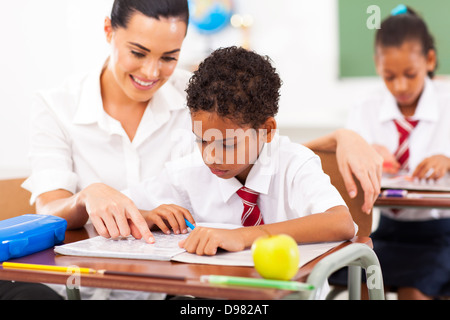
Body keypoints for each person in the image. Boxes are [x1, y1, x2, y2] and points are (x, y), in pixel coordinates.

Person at [1, 0, 382, 300]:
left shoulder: (202, 98)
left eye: (169, 57)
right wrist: (136, 212)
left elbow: (272, 155)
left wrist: (342, 137)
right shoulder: (193, 152)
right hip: (117, 284)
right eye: (138, 51)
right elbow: (119, 203)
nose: (152, 72)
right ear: (108, 31)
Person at [122, 46, 356, 257]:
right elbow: (120, 208)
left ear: (266, 130)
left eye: (228, 144)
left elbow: (341, 223)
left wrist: (242, 236)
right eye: (202, 140)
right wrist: (147, 215)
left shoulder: (294, 164)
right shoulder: (188, 171)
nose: (210, 156)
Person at [346, 5, 450, 299]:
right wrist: (364, 155)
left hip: (440, 233)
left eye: (410, 74)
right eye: (389, 76)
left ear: (429, 60)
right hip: (387, 230)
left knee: (412, 292)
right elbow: (344, 167)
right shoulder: (365, 106)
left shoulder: (447, 101)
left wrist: (448, 161)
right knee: (364, 283)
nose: (400, 86)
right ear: (377, 66)